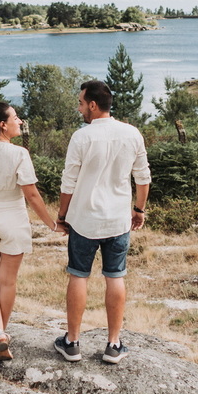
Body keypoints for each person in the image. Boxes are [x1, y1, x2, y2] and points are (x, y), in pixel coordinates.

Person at [54, 79, 150, 365]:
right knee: (115, 276)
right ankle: (114, 344)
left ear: (93, 106)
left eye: (81, 103)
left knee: (78, 275)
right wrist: (138, 210)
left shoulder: (81, 137)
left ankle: (72, 342)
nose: (79, 108)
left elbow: (68, 183)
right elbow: (143, 178)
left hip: (84, 220)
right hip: (118, 220)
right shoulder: (132, 133)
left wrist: (62, 216)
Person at [0, 102, 61, 360]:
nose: (20, 121)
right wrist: (51, 223)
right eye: (16, 118)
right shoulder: (19, 154)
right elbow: (31, 194)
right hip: (13, 218)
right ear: (2, 124)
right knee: (7, 282)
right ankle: (2, 333)